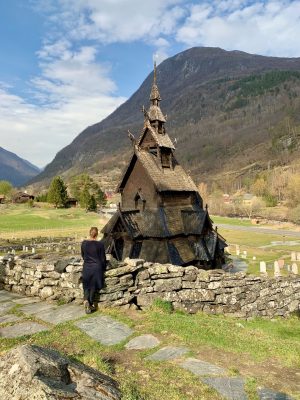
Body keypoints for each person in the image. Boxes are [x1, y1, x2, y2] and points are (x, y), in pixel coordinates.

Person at [81, 227, 106, 314]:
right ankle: (90, 304)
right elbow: (103, 259)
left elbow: (83, 256)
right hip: (97, 267)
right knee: (93, 286)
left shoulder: (84, 243)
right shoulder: (100, 244)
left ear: (89, 233)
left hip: (87, 267)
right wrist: (104, 268)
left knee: (86, 284)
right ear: (97, 234)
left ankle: (86, 300)